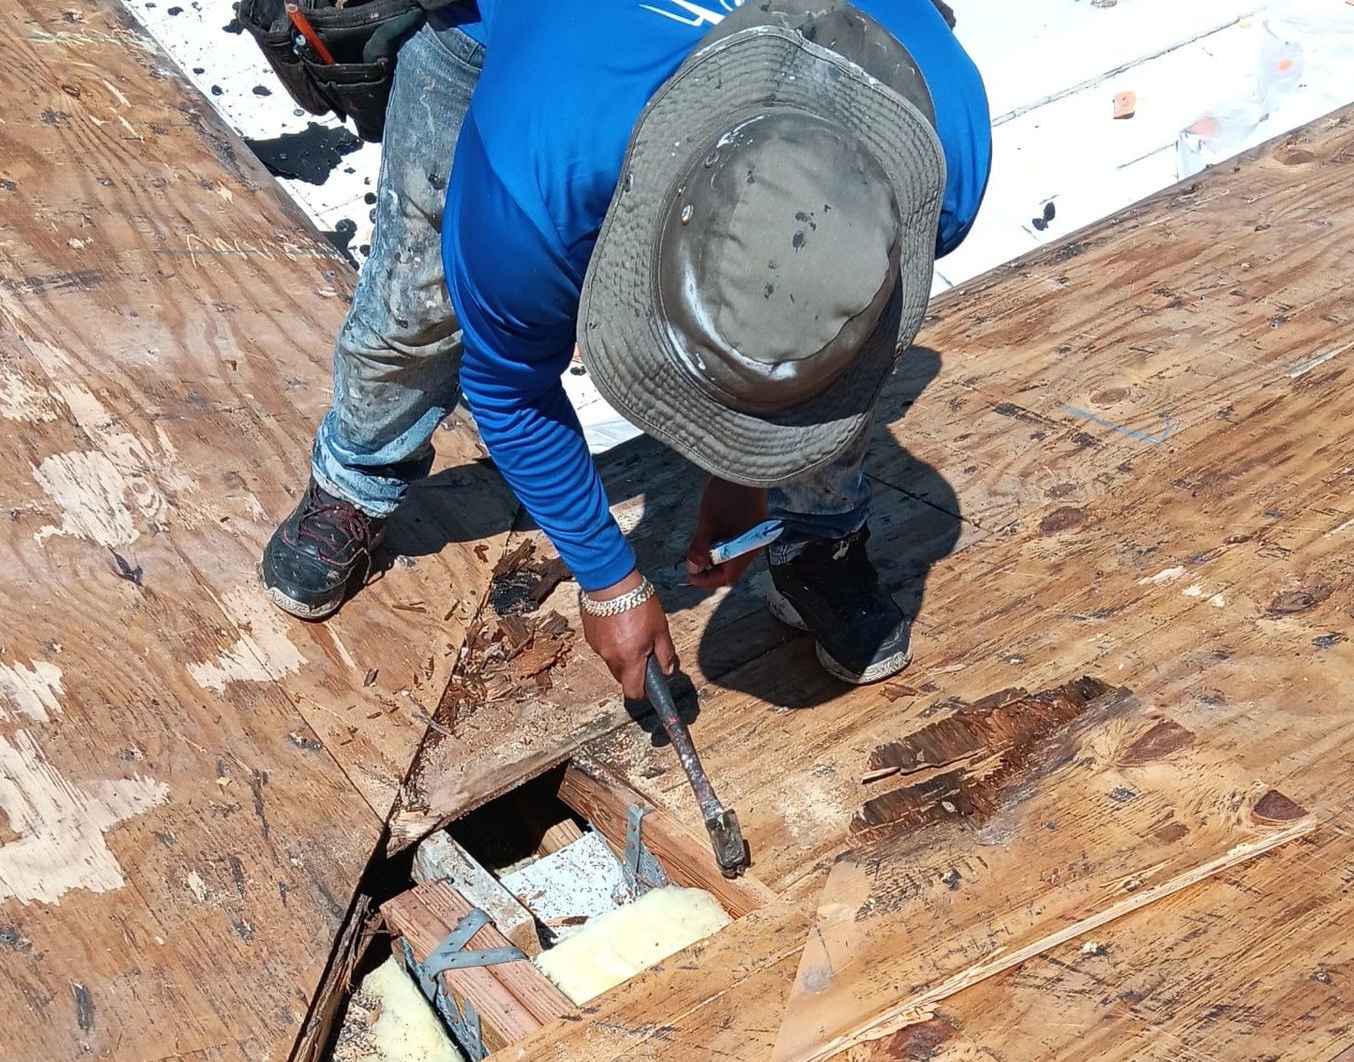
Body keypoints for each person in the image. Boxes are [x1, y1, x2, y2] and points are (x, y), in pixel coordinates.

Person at [261, 0, 991, 695]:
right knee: (420, 298)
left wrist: (743, 467)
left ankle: (816, 537)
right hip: (495, 31)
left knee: (841, 342)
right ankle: (356, 472)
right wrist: (608, 580)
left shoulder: (940, 154)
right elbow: (506, 387)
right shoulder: (532, 180)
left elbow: (817, 336)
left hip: (617, 68)